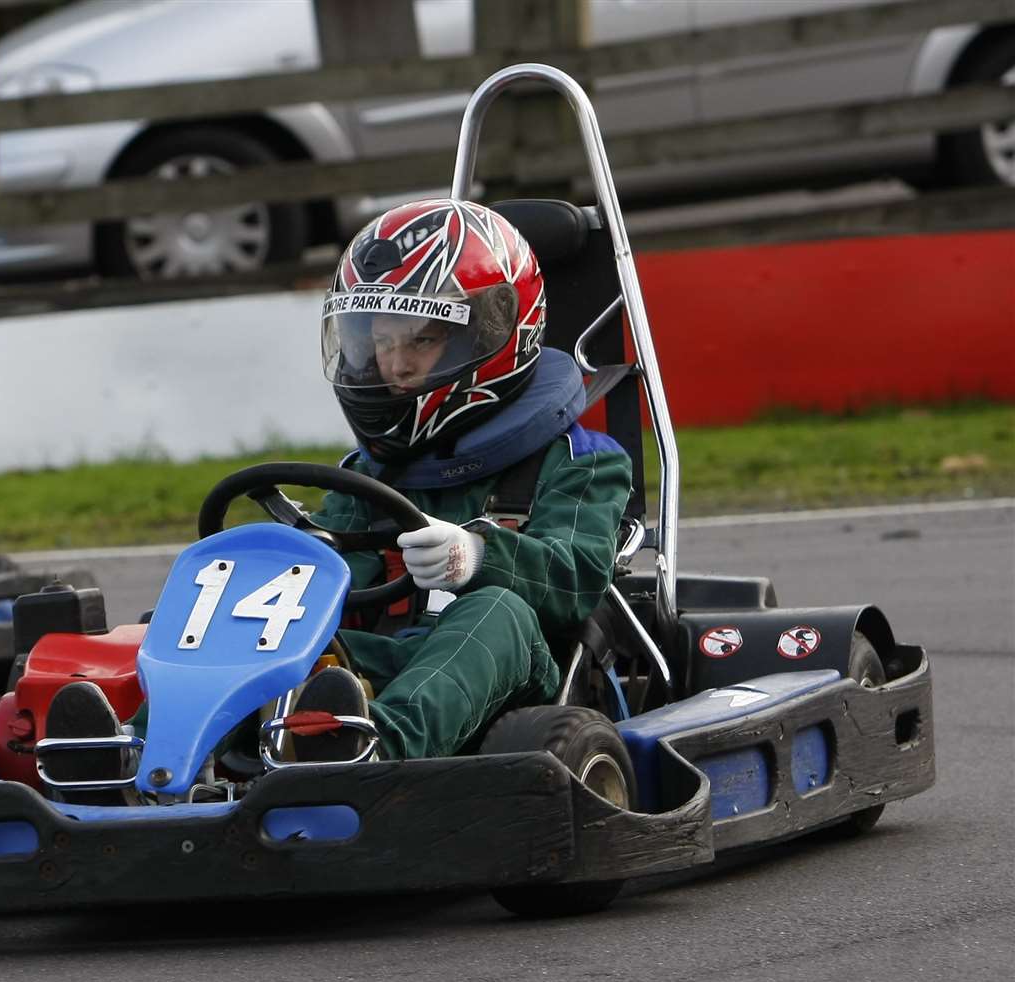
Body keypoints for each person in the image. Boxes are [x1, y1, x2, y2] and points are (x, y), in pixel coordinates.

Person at [46, 199, 632, 771]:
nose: (395, 366)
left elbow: (575, 581)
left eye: (421, 340)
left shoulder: (581, 461)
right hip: (375, 668)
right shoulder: (368, 473)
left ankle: (373, 756)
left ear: (490, 337)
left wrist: (479, 555)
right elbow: (337, 593)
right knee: (226, 619)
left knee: (495, 609)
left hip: (514, 674)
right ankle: (137, 757)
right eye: (379, 341)